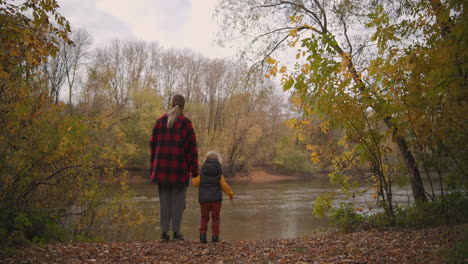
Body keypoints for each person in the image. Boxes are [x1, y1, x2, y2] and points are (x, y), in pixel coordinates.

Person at [150, 94, 198, 242]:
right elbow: (191, 149)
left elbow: (152, 144)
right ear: (183, 106)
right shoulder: (186, 123)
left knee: (164, 202)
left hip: (162, 169)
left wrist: (153, 167)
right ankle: (176, 233)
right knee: (178, 202)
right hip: (179, 170)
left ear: (171, 104)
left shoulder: (160, 121)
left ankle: (164, 233)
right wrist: (194, 171)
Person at [191, 151, 234, 243]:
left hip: (204, 199)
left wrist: (193, 176)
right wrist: (230, 194)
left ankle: (202, 236)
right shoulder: (219, 171)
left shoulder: (201, 171)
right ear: (218, 160)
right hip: (216, 199)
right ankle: (215, 237)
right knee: (216, 218)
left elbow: (195, 183)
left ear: (206, 159)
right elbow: (224, 185)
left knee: (204, 217)